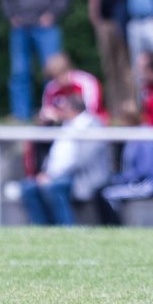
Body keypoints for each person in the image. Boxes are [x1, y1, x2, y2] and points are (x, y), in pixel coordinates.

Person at [0, 0, 69, 121]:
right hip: (21, 26)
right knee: (20, 72)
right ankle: (20, 114)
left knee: (53, 72)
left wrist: (52, 14)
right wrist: (11, 15)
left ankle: (54, 111)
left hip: (46, 26)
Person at [19, 93, 111, 226]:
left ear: (73, 109)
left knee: (54, 187)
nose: (59, 112)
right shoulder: (65, 125)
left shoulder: (91, 124)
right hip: (55, 174)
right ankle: (41, 228)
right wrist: (46, 124)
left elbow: (83, 159)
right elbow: (50, 152)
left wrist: (53, 176)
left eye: (63, 108)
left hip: (80, 176)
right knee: (29, 188)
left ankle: (66, 227)